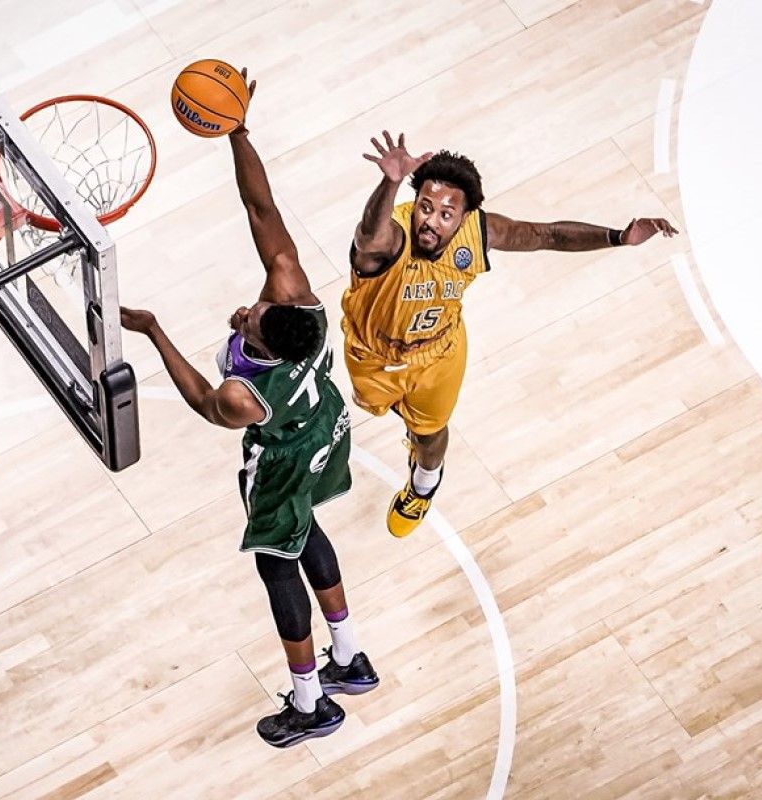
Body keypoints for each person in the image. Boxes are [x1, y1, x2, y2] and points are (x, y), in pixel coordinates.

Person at [121, 74, 378, 748]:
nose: (246, 309)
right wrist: (238, 130)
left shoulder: (245, 396)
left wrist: (153, 331)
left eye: (250, 322)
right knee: (305, 529)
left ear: (263, 348)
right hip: (326, 425)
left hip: (286, 456)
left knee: (275, 562)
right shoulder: (299, 300)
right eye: (258, 307)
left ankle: (310, 703)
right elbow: (261, 208)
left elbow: (205, 403)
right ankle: (349, 656)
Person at [345, 131, 679, 537]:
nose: (430, 221)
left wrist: (617, 238)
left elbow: (547, 235)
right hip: (374, 353)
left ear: (465, 218)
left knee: (430, 434)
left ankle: (423, 486)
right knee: (382, 409)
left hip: (438, 352)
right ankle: (410, 423)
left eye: (446, 214)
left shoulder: (479, 232)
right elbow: (369, 238)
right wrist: (390, 183)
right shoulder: (393, 235)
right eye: (425, 208)